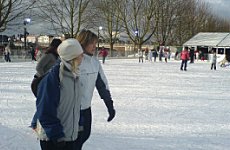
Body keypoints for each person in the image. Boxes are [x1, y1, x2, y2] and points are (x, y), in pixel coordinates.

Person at [32, 38, 84, 150]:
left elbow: (75, 104)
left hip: (69, 137)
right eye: (80, 54)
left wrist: (79, 124)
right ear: (72, 57)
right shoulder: (54, 79)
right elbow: (45, 110)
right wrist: (56, 135)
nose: (83, 57)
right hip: (53, 140)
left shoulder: (75, 76)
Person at [75, 29, 116, 150]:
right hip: (72, 110)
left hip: (86, 108)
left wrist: (109, 104)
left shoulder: (94, 62)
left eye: (95, 43)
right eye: (91, 43)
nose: (95, 46)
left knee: (84, 135)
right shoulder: (74, 61)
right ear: (83, 43)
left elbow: (102, 85)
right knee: (74, 139)